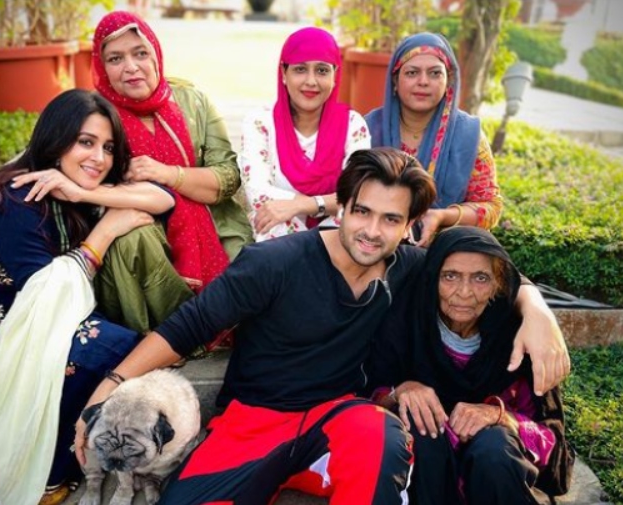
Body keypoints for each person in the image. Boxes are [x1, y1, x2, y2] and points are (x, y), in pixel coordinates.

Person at [74, 147, 570, 504]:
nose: (372, 231)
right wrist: (108, 387)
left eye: (390, 220)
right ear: (343, 206)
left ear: (409, 226)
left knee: (383, 433)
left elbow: (486, 267)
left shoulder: (410, 267)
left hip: (339, 419)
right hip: (253, 422)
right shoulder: (274, 263)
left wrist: (536, 308)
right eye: (362, 212)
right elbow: (189, 326)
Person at [0, 89, 169, 505]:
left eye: (108, 147)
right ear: (57, 141)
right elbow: (46, 291)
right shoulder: (18, 197)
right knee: (105, 351)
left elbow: (162, 197)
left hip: (27, 314)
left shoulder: (77, 187)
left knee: (117, 347)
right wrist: (105, 232)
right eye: (85, 142)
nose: (99, 158)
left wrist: (87, 194)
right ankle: (49, 474)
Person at [0, 10, 253, 337]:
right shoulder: (98, 114)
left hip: (214, 225)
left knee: (250, 288)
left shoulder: (193, 102)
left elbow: (228, 176)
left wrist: (168, 174)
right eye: (115, 58)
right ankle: (167, 334)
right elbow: (34, 159)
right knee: (135, 238)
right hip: (135, 228)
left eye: (140, 53)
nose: (130, 67)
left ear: (156, 54)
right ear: (101, 65)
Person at [374, 227, 574, 504]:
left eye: (481, 278)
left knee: (494, 446)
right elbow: (370, 398)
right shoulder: (405, 326)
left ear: (498, 284)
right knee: (421, 429)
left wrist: (500, 417)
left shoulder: (518, 337)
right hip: (426, 477)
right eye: (450, 276)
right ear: (432, 279)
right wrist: (402, 391)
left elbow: (551, 444)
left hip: (495, 474)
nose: (464, 292)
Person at [366, 32, 503, 247]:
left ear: (448, 81)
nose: (423, 82)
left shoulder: (469, 135)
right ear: (395, 80)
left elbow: (491, 208)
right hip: (370, 244)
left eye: (435, 73)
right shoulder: (367, 129)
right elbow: (344, 197)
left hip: (441, 251)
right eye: (412, 73)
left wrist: (442, 216)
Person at [238, 26, 370, 242]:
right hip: (278, 233)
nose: (311, 81)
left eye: (322, 70)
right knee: (271, 219)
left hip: (334, 235)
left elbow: (360, 195)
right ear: (284, 73)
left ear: (335, 75)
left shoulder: (352, 125)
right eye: (300, 69)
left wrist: (304, 205)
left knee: (352, 221)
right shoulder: (261, 122)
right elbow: (258, 192)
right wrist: (327, 204)